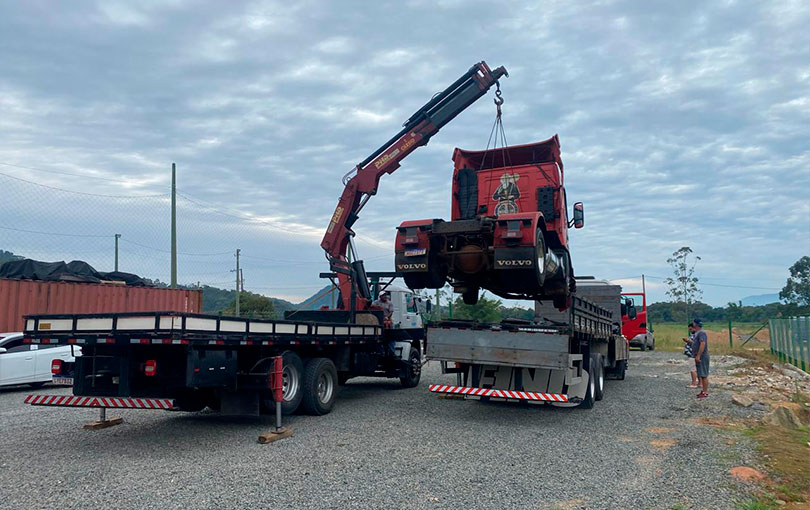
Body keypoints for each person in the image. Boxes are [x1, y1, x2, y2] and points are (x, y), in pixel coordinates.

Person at [692, 318, 710, 398]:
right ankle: (703, 390)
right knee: (701, 374)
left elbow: (702, 343)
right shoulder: (697, 333)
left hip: (702, 356)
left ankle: (705, 392)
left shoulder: (701, 333)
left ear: (695, 324)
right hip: (699, 356)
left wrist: (698, 355)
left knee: (704, 374)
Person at [682, 323, 698, 388]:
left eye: (691, 329)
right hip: (692, 354)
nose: (690, 331)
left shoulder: (697, 335)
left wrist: (688, 341)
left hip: (693, 354)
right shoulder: (694, 335)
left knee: (693, 369)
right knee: (697, 369)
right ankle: (700, 383)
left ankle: (693, 383)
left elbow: (696, 344)